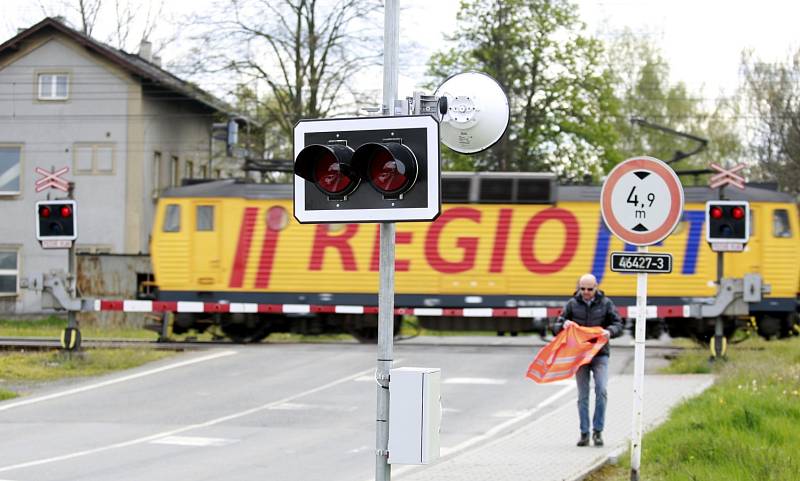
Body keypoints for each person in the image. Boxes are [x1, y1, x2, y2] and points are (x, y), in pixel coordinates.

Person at [552, 273, 624, 447]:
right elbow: (555, 327)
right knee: (582, 395)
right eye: (582, 289)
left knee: (601, 390)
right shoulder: (572, 304)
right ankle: (584, 433)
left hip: (600, 354)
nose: (585, 292)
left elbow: (619, 324)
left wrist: (610, 332)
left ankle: (598, 432)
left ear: (596, 287)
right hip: (580, 356)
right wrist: (563, 325)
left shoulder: (606, 304)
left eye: (589, 289)